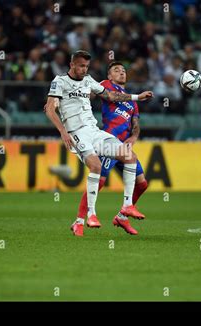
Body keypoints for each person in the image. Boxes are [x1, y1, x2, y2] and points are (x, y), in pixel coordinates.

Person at [44, 50, 153, 237]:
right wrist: (62, 130)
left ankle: (126, 208)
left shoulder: (89, 81)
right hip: (77, 132)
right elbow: (50, 108)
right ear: (72, 64)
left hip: (95, 132)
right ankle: (88, 216)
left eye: (86, 66)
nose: (83, 69)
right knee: (96, 169)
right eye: (80, 65)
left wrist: (137, 97)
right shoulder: (60, 81)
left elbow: (110, 97)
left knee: (130, 157)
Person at [73, 61, 148, 235]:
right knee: (99, 182)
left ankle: (122, 216)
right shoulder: (105, 86)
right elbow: (101, 95)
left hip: (123, 146)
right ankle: (79, 221)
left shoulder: (132, 102)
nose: (121, 72)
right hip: (108, 142)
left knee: (142, 184)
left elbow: (135, 123)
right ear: (109, 76)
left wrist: (134, 136)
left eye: (123, 70)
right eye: (116, 70)